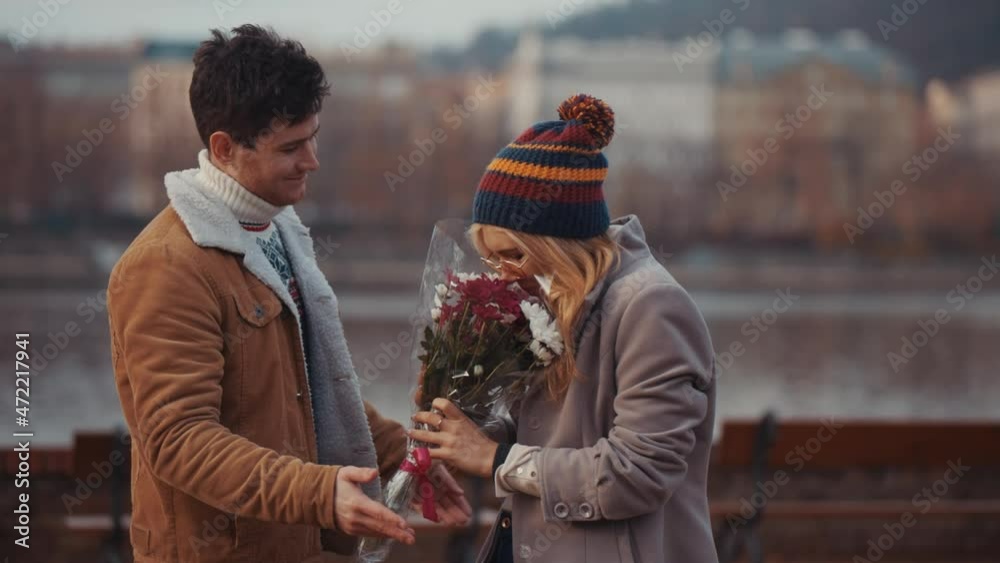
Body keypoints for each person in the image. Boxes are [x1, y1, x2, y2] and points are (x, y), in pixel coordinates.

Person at [106, 25, 470, 563]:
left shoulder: (274, 230)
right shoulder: (167, 266)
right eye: (291, 147)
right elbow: (178, 440)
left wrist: (402, 459)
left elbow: (310, 387)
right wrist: (319, 494)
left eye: (313, 137)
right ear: (225, 148)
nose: (313, 160)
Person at [410, 94, 718, 563]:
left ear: (560, 244)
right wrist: (463, 419)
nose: (502, 275)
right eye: (490, 258)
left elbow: (638, 474)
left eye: (514, 254)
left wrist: (493, 459)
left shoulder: (651, 306)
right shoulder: (559, 299)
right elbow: (541, 434)